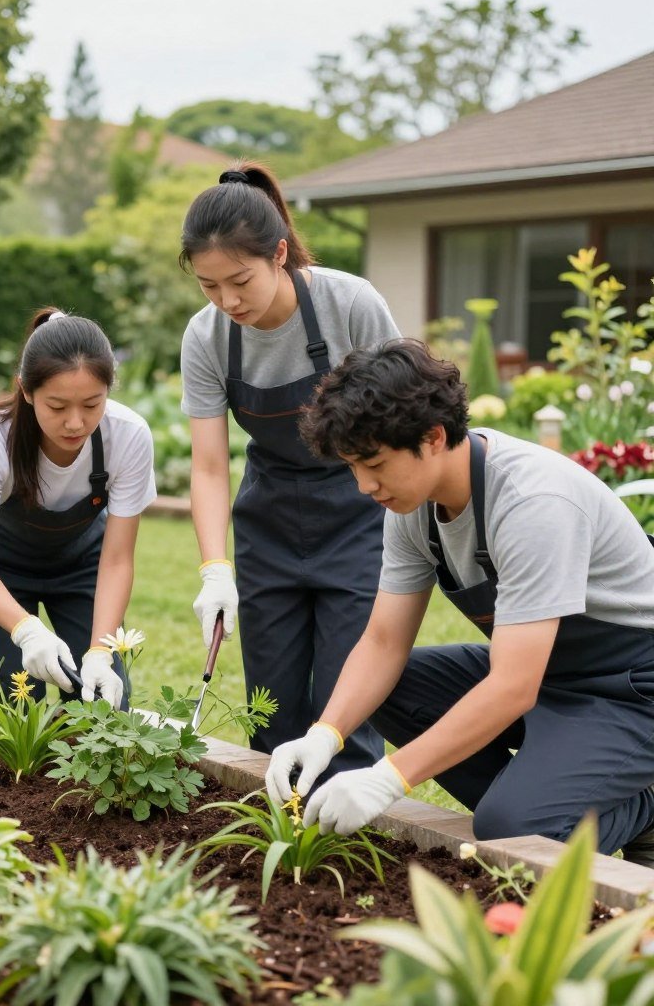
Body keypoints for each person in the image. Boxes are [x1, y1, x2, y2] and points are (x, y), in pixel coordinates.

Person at [265, 338, 654, 864]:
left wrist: (389, 778)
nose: (363, 486)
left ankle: (640, 807)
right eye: (353, 467)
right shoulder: (412, 507)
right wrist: (325, 734)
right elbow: (382, 644)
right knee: (394, 690)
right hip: (551, 677)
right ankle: (554, 802)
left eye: (374, 463)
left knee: (514, 829)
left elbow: (513, 686)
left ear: (432, 437)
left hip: (631, 691)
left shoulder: (532, 504)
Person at [179, 162, 401, 763]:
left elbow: (400, 418)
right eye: (208, 285)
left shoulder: (349, 304)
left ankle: (349, 843)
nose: (227, 301)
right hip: (269, 525)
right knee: (270, 714)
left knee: (344, 711)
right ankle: (277, 845)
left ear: (279, 254)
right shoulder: (205, 338)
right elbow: (208, 464)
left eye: (240, 281)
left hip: (357, 516)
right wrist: (214, 568)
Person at [0, 308, 156, 707]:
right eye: (57, 407)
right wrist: (26, 631)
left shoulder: (128, 436)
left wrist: (99, 651)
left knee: (104, 702)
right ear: (25, 390)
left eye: (92, 405)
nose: (75, 423)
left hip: (81, 568)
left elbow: (116, 561)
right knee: (20, 699)